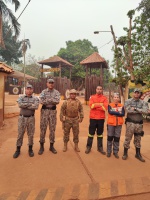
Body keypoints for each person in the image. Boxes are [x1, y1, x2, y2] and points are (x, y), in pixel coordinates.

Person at [122, 88, 150, 162]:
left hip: (139, 124)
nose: (137, 94)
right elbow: (128, 110)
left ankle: (138, 154)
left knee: (138, 139)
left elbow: (146, 111)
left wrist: (135, 109)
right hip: (130, 123)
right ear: (133, 93)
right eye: (135, 92)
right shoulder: (128, 101)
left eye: (138, 93)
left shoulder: (144, 102)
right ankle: (125, 153)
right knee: (128, 138)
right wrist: (140, 110)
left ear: (140, 94)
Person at [13, 84, 39, 158]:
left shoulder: (35, 98)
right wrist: (30, 105)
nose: (29, 90)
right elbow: (20, 105)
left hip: (31, 118)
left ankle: (30, 149)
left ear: (32, 90)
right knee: (20, 134)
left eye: (30, 89)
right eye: (28, 89)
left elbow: (36, 106)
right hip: (22, 118)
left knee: (31, 134)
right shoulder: (21, 97)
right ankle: (18, 150)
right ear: (25, 90)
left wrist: (25, 105)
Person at [38, 78, 60, 155]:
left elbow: (57, 101)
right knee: (43, 128)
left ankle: (51, 146)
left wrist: (47, 100)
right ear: (47, 84)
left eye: (52, 83)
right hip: (44, 111)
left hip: (53, 112)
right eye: (49, 83)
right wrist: (51, 100)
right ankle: (41, 146)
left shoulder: (56, 92)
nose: (51, 84)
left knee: (52, 129)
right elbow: (41, 101)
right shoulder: (43, 92)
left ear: (54, 84)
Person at [85, 86, 108, 154]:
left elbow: (105, 108)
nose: (99, 90)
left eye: (100, 89)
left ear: (102, 90)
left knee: (100, 134)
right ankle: (88, 147)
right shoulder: (92, 97)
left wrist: (95, 105)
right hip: (93, 118)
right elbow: (91, 106)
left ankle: (100, 148)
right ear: (96, 90)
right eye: (98, 89)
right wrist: (100, 104)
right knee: (91, 133)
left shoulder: (105, 98)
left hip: (101, 118)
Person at [107, 93, 125, 158]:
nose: (116, 98)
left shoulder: (121, 105)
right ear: (113, 98)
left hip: (119, 124)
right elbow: (110, 112)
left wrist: (116, 113)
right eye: (115, 97)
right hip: (111, 124)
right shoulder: (110, 105)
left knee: (117, 138)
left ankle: (115, 152)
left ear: (119, 98)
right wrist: (118, 113)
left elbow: (123, 114)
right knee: (110, 138)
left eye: (117, 97)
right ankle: (109, 152)